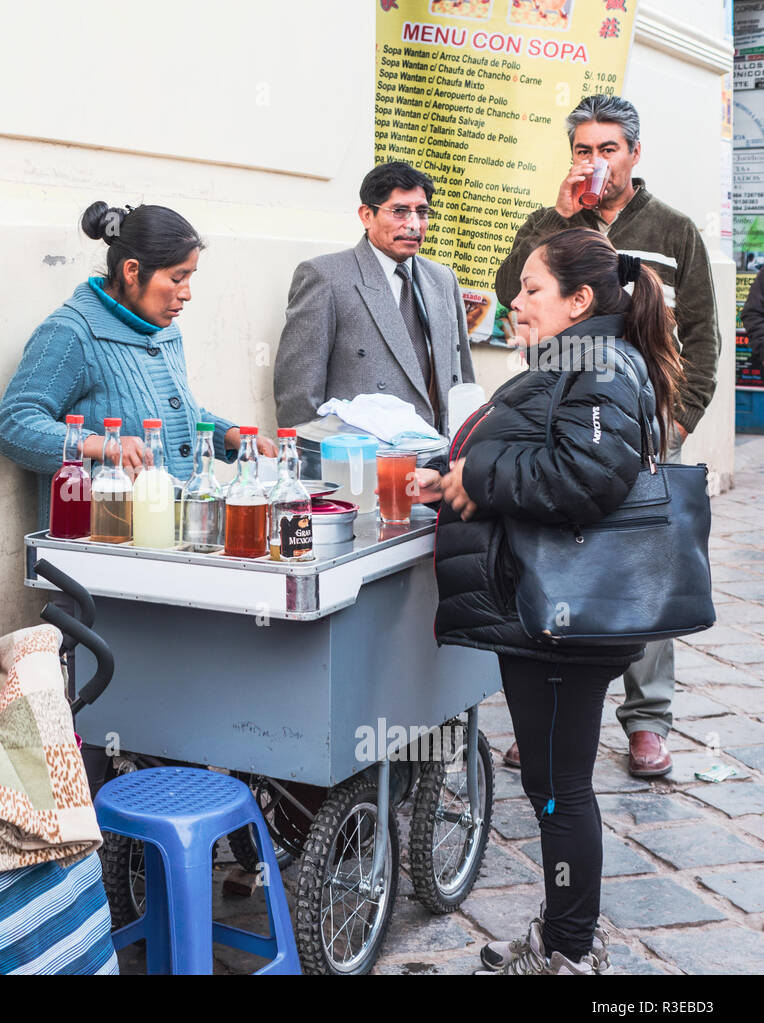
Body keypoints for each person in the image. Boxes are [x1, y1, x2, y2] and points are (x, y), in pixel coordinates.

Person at [415, 228, 683, 974]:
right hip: (545, 615)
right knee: (552, 784)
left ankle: (569, 950)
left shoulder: (595, 363)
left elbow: (584, 479)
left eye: (532, 289)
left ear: (579, 300)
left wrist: (478, 473)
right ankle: (566, 934)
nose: (517, 301)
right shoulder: (579, 359)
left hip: (565, 619)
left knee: (560, 789)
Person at [494, 95, 720, 778]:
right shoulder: (555, 225)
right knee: (560, 556)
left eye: (608, 149)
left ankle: (647, 720)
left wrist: (681, 415)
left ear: (634, 154)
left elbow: (706, 332)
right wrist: (555, 219)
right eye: (584, 150)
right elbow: (513, 294)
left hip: (649, 428)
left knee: (646, 564)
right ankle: (558, 715)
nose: (595, 163)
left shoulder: (676, 230)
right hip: (565, 422)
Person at [0, 201, 273, 527]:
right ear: (132, 271)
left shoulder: (165, 332)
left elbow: (172, 411)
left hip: (172, 534)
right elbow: (14, 424)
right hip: (102, 541)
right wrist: (102, 445)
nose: (187, 294)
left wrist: (233, 437)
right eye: (177, 278)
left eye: (190, 278)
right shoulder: (72, 332)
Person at [274, 160, 476, 433]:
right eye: (400, 212)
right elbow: (299, 394)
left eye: (422, 212)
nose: (414, 225)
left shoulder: (442, 279)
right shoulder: (326, 276)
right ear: (366, 215)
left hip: (436, 460)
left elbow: (462, 379)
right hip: (361, 461)